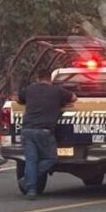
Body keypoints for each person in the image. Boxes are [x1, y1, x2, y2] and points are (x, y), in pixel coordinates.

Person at [17, 68, 77, 200]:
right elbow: (73, 97)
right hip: (44, 131)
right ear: (51, 79)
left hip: (27, 130)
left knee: (31, 161)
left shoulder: (30, 89)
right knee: (51, 159)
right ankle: (27, 179)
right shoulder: (57, 91)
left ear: (38, 79)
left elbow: (19, 99)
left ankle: (31, 190)